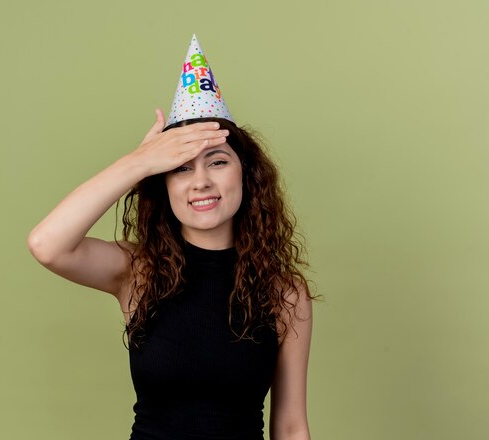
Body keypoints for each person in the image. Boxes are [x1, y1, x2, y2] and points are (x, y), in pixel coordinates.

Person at [27, 35, 319, 440]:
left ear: (246, 177)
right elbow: (47, 244)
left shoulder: (284, 293)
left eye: (217, 162)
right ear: (162, 185)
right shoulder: (137, 271)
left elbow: (290, 426)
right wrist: (139, 161)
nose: (200, 181)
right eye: (181, 167)